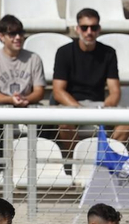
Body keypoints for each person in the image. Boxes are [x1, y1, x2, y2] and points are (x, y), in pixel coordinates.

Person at [51, 8, 122, 153]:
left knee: (128, 123)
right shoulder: (64, 52)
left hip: (99, 105)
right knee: (64, 124)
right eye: (84, 28)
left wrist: (105, 108)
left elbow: (115, 91)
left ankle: (108, 158)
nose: (89, 32)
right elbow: (58, 92)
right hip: (71, 105)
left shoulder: (109, 53)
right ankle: (78, 162)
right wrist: (79, 110)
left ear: (99, 29)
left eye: (93, 27)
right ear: (77, 29)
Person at [0, 13, 45, 158]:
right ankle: (0, 168)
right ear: (1, 36)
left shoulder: (34, 59)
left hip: (28, 105)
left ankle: (40, 163)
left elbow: (39, 92)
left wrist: (26, 99)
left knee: (46, 123)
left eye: (20, 33)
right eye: (12, 34)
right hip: (1, 107)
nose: (18, 37)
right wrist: (11, 100)